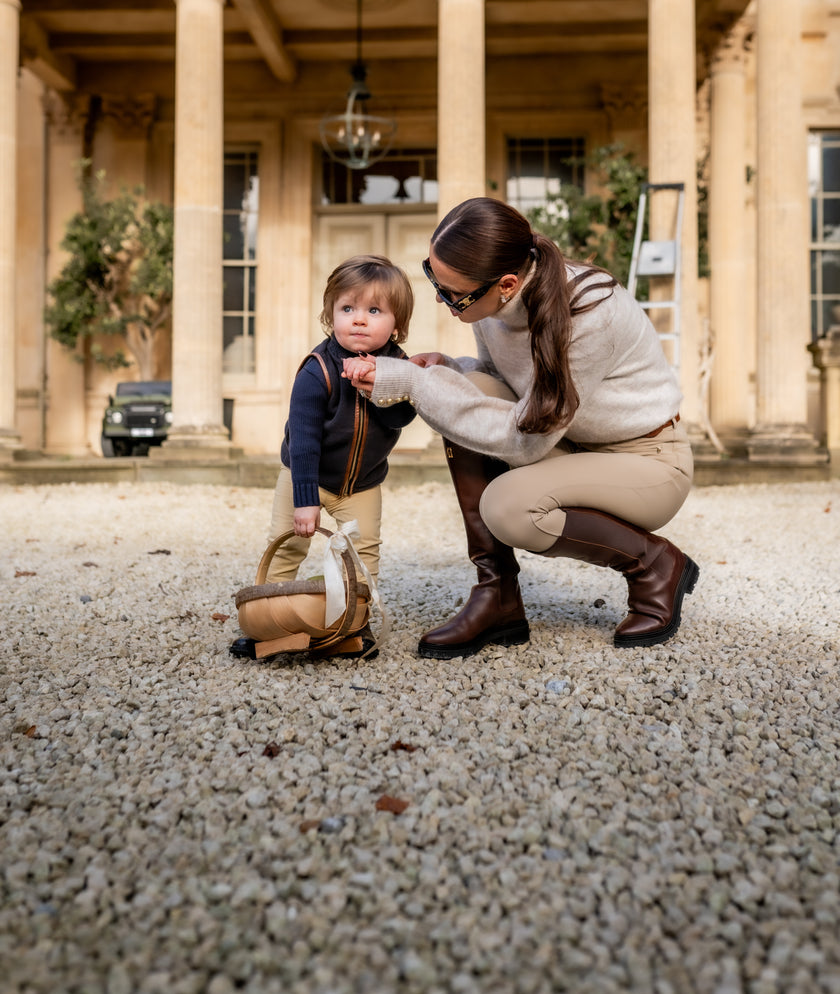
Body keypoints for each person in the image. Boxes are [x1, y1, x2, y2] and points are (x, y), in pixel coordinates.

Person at [344, 197, 697, 659]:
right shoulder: (492, 307)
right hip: (568, 441)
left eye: (452, 292)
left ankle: (655, 563)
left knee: (509, 508)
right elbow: (498, 380)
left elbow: (524, 439)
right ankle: (498, 596)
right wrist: (448, 367)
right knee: (461, 382)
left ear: (507, 283)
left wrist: (413, 383)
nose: (439, 297)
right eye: (433, 277)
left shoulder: (590, 312)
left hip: (645, 461)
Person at [230, 254, 416, 661]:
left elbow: (405, 413)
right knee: (287, 548)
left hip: (361, 484)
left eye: (374, 310)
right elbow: (304, 439)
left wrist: (377, 388)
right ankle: (267, 622)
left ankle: (355, 624)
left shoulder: (399, 367)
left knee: (364, 553)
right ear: (330, 316)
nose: (359, 319)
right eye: (347, 308)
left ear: (397, 325)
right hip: (307, 476)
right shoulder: (317, 370)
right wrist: (305, 499)